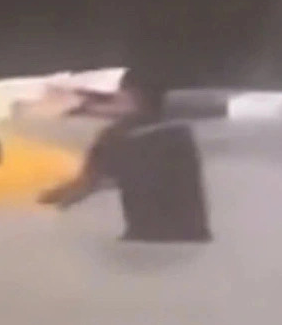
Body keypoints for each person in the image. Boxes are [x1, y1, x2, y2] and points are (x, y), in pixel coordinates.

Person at [40, 67, 211, 244]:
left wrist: (40, 204)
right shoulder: (179, 133)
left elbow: (87, 184)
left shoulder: (122, 138)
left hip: (147, 244)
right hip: (189, 241)